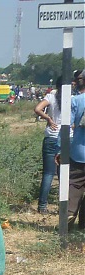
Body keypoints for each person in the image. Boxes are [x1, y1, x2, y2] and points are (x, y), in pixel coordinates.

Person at [34, 77, 64, 214]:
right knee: (63, 174)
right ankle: (64, 205)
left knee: (48, 174)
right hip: (66, 138)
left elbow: (38, 108)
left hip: (51, 136)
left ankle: (42, 206)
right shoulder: (72, 97)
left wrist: (48, 119)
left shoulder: (51, 96)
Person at [66, 72, 85, 228]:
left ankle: (68, 221)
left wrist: (60, 149)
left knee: (74, 187)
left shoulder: (76, 101)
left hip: (78, 153)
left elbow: (66, 128)